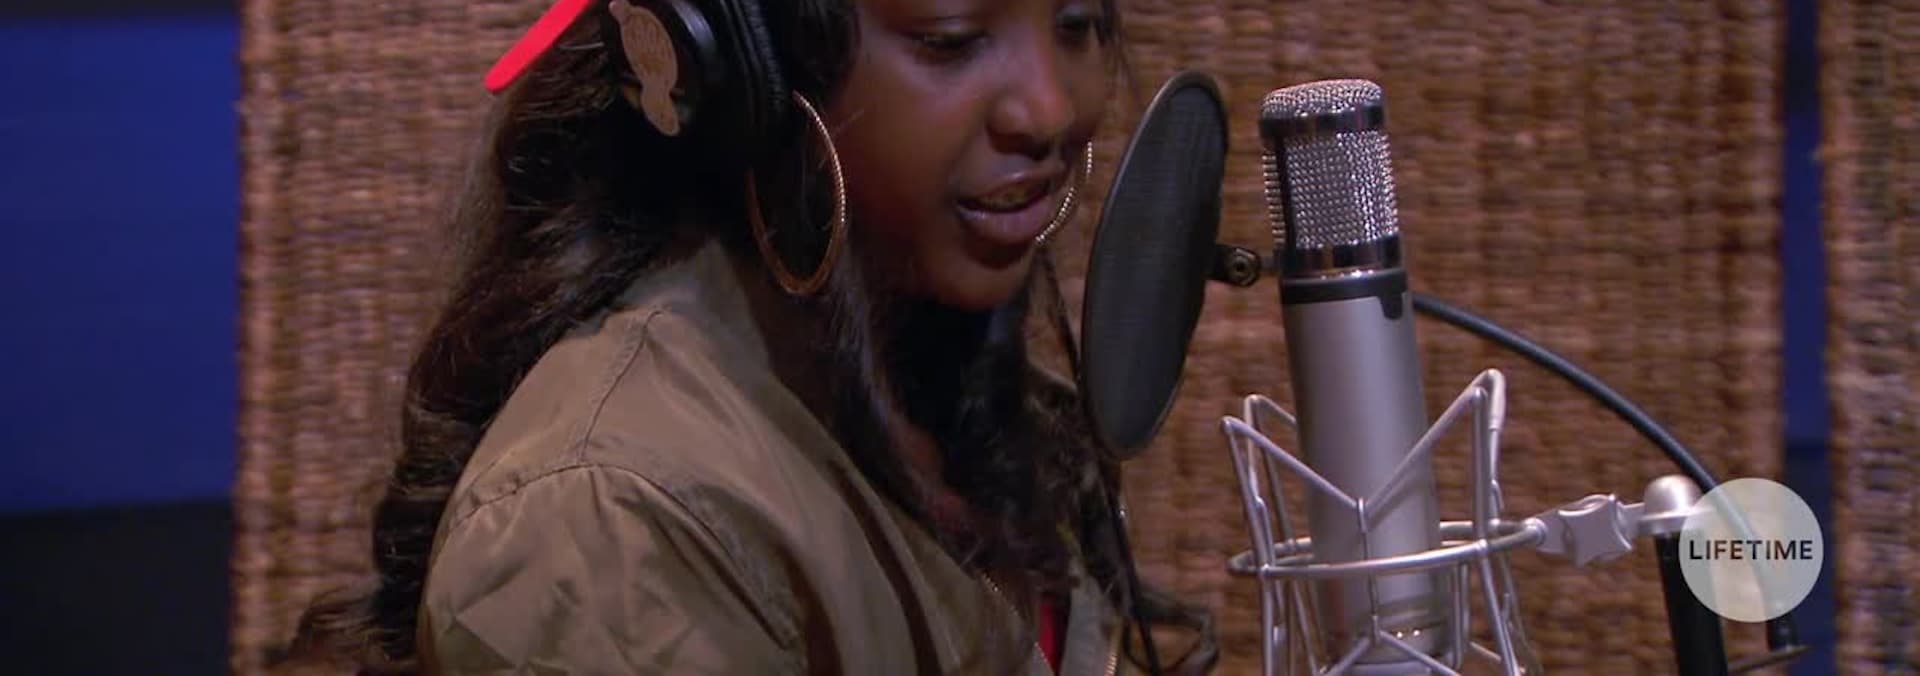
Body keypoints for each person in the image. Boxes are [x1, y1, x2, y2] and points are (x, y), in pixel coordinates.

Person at [292, 0, 1217, 673]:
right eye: (951, 39)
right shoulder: (610, 525)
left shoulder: (963, 390)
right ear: (745, 65)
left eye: (1077, 23)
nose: (1048, 109)